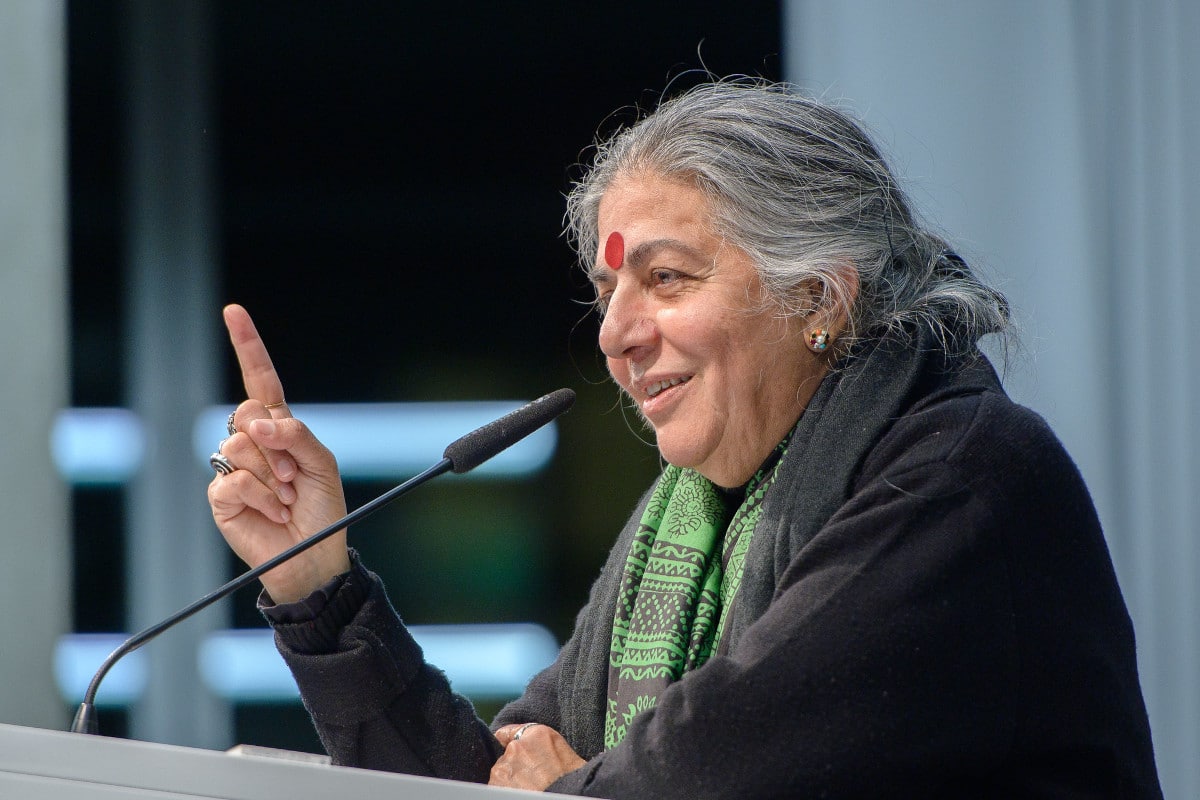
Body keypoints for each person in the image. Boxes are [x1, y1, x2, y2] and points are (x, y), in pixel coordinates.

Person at [207, 80, 1163, 797]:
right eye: (609, 291)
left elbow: (695, 777)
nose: (616, 333)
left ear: (820, 298)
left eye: (665, 280)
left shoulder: (965, 476)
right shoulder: (690, 519)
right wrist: (316, 585)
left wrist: (569, 783)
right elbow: (480, 787)